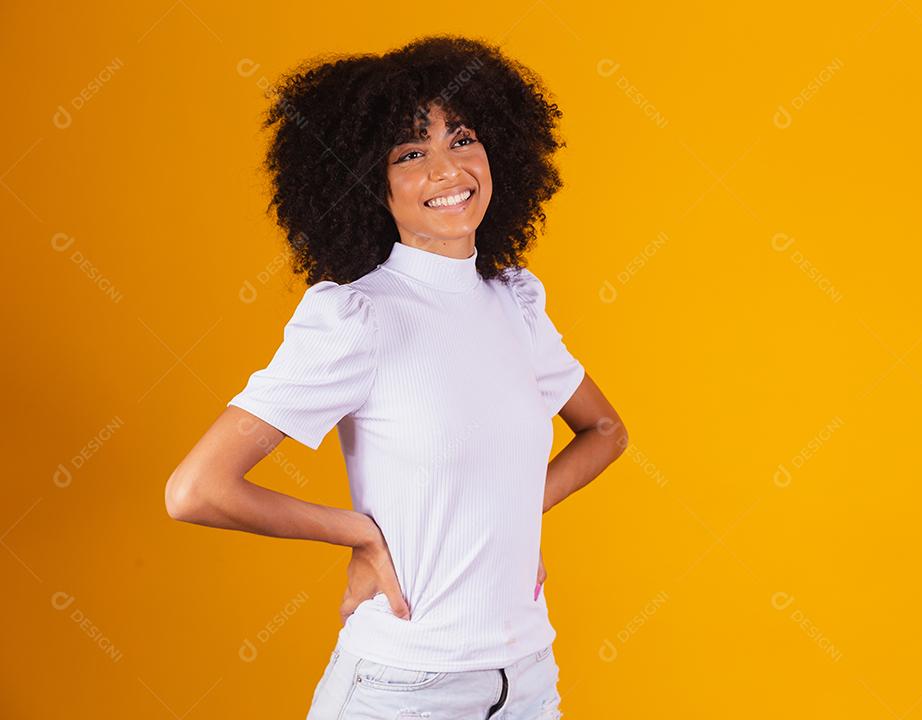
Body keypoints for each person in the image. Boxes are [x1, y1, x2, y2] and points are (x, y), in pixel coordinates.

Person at [165, 34, 628, 719]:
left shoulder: (515, 301)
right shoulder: (359, 316)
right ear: (368, 184)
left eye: (462, 138)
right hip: (406, 691)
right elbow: (197, 490)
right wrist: (360, 535)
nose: (447, 170)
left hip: (527, 681)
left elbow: (605, 431)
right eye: (411, 153)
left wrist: (507, 521)